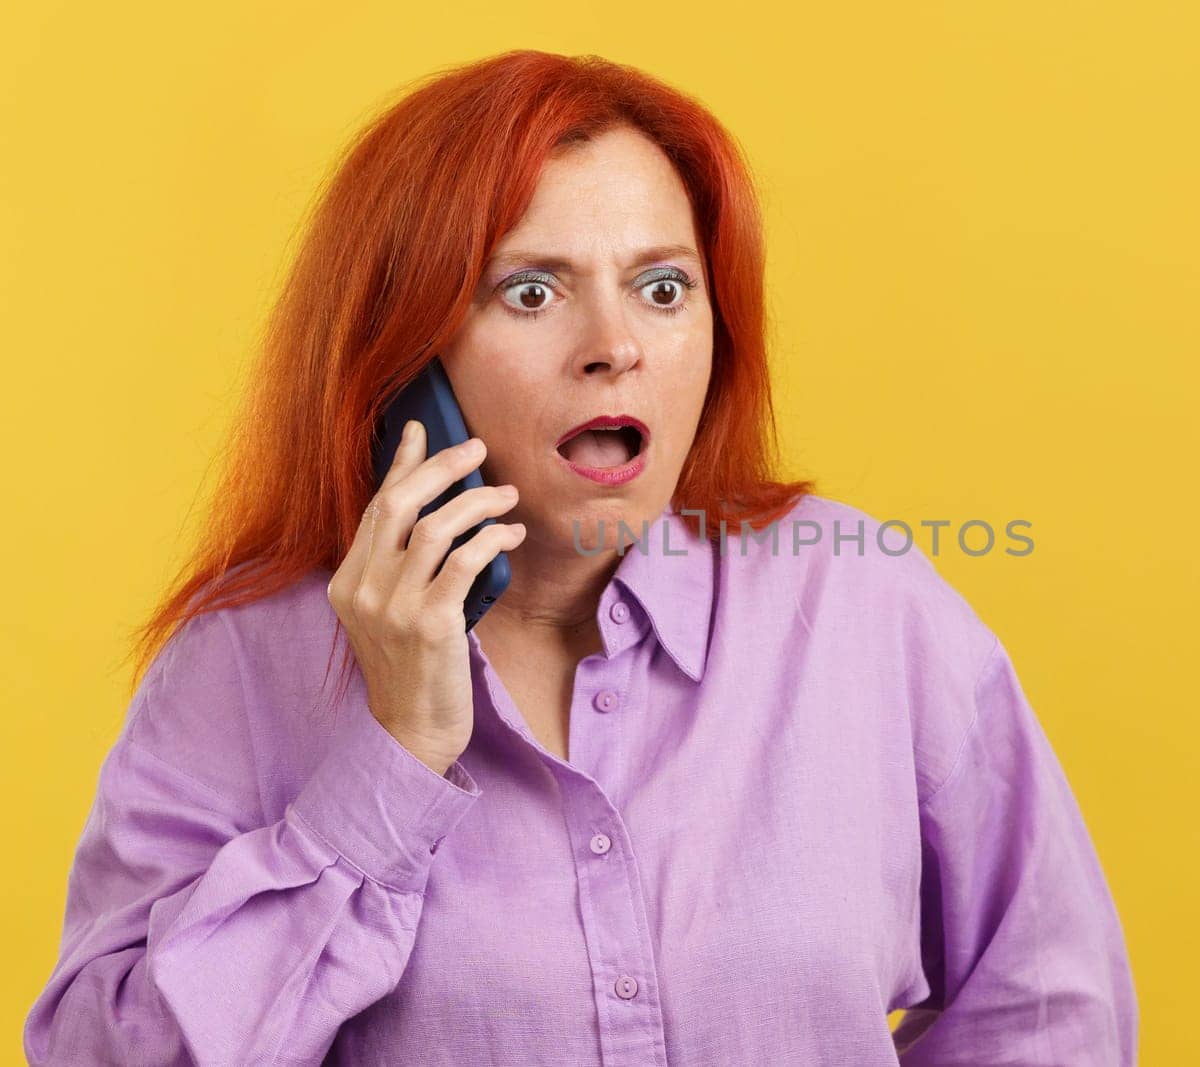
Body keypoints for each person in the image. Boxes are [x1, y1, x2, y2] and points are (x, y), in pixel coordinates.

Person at [23, 50, 1138, 1065]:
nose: (616, 347)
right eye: (532, 290)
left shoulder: (863, 607)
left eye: (663, 288)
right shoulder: (243, 664)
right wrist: (394, 757)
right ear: (406, 351)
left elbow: (1047, 1003)